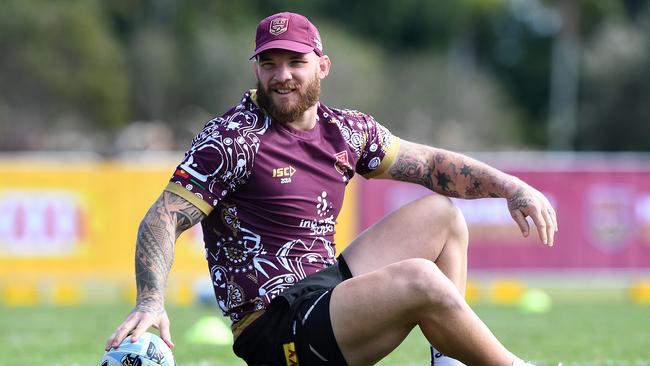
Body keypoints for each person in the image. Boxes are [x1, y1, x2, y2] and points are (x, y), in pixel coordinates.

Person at [106, 11, 557, 366]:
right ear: (257, 70)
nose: (282, 75)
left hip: (323, 295)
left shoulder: (345, 130)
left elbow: (432, 165)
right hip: (274, 330)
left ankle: (450, 362)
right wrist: (150, 299)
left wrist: (510, 186)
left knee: (440, 215)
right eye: (269, 63)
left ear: (322, 66)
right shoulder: (231, 139)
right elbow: (163, 216)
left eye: (295, 62)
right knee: (420, 279)